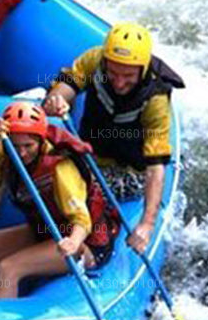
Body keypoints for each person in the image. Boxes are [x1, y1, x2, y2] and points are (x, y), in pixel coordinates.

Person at [0, 102, 117, 300]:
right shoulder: (6, 151)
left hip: (85, 243)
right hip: (46, 231)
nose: (22, 153)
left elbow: (82, 220)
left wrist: (73, 242)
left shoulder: (60, 166)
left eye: (28, 146)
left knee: (8, 268)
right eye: (16, 146)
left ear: (40, 141)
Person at [42, 22, 185, 253]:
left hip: (129, 171)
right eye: (113, 73)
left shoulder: (155, 97)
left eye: (128, 76)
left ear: (142, 68)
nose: (119, 82)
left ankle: (87, 247)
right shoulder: (95, 60)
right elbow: (66, 87)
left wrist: (146, 225)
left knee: (67, 185)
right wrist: (57, 100)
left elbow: (155, 167)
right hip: (91, 155)